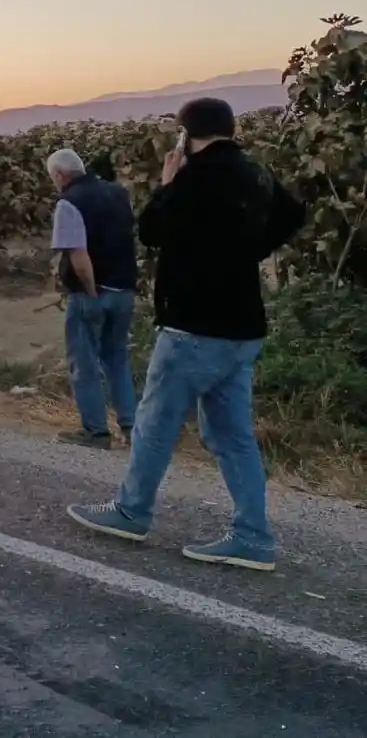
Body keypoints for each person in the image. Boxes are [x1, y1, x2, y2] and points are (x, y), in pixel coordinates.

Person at [66, 97, 304, 572]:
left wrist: (166, 185)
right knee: (232, 435)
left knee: (155, 423)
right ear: (230, 129)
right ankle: (253, 537)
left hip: (194, 326)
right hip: (242, 328)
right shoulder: (254, 172)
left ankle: (132, 513)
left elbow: (152, 230)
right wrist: (244, 250)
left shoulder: (194, 177)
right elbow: (293, 214)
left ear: (185, 134)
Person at [46, 148, 138, 450]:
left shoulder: (69, 203)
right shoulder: (118, 193)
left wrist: (89, 289)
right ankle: (132, 428)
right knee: (117, 359)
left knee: (84, 363)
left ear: (59, 176)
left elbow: (78, 255)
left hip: (92, 292)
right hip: (125, 289)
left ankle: (96, 432)